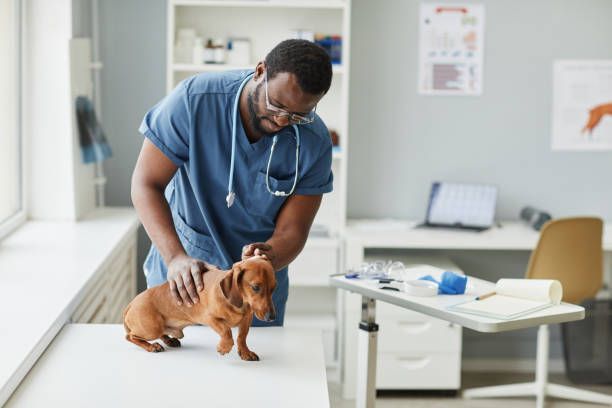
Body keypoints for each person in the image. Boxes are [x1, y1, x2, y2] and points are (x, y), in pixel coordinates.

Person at [131, 39, 334, 327]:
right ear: (260, 71)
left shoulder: (313, 142)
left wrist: (269, 256)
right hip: (187, 279)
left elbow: (293, 229)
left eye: (298, 116)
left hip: (255, 289)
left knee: (252, 366)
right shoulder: (194, 101)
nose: (281, 121)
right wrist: (175, 257)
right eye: (276, 105)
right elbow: (145, 183)